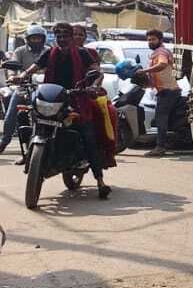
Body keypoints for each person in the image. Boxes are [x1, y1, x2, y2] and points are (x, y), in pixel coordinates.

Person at [20, 22, 113, 198]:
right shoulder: (50, 53)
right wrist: (22, 76)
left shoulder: (82, 53)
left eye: (65, 36)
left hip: (76, 98)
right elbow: (34, 68)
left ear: (71, 37)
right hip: (52, 97)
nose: (62, 39)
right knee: (26, 115)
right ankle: (30, 156)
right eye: (58, 36)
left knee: (88, 134)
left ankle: (100, 181)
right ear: (55, 38)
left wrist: (93, 85)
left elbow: (97, 73)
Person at [0, 24, 48, 156]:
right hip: (24, 87)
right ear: (27, 39)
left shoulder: (48, 51)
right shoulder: (20, 51)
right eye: (33, 38)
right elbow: (12, 67)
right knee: (11, 113)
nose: (36, 41)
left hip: (42, 88)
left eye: (39, 38)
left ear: (43, 39)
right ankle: (4, 141)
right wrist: (12, 77)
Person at [143, 28, 180, 156]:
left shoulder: (161, 52)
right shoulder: (158, 52)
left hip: (168, 91)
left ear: (160, 40)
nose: (150, 42)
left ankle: (160, 147)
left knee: (160, 118)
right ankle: (166, 143)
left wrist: (145, 71)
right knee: (164, 118)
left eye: (153, 39)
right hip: (166, 90)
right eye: (148, 40)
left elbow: (162, 64)